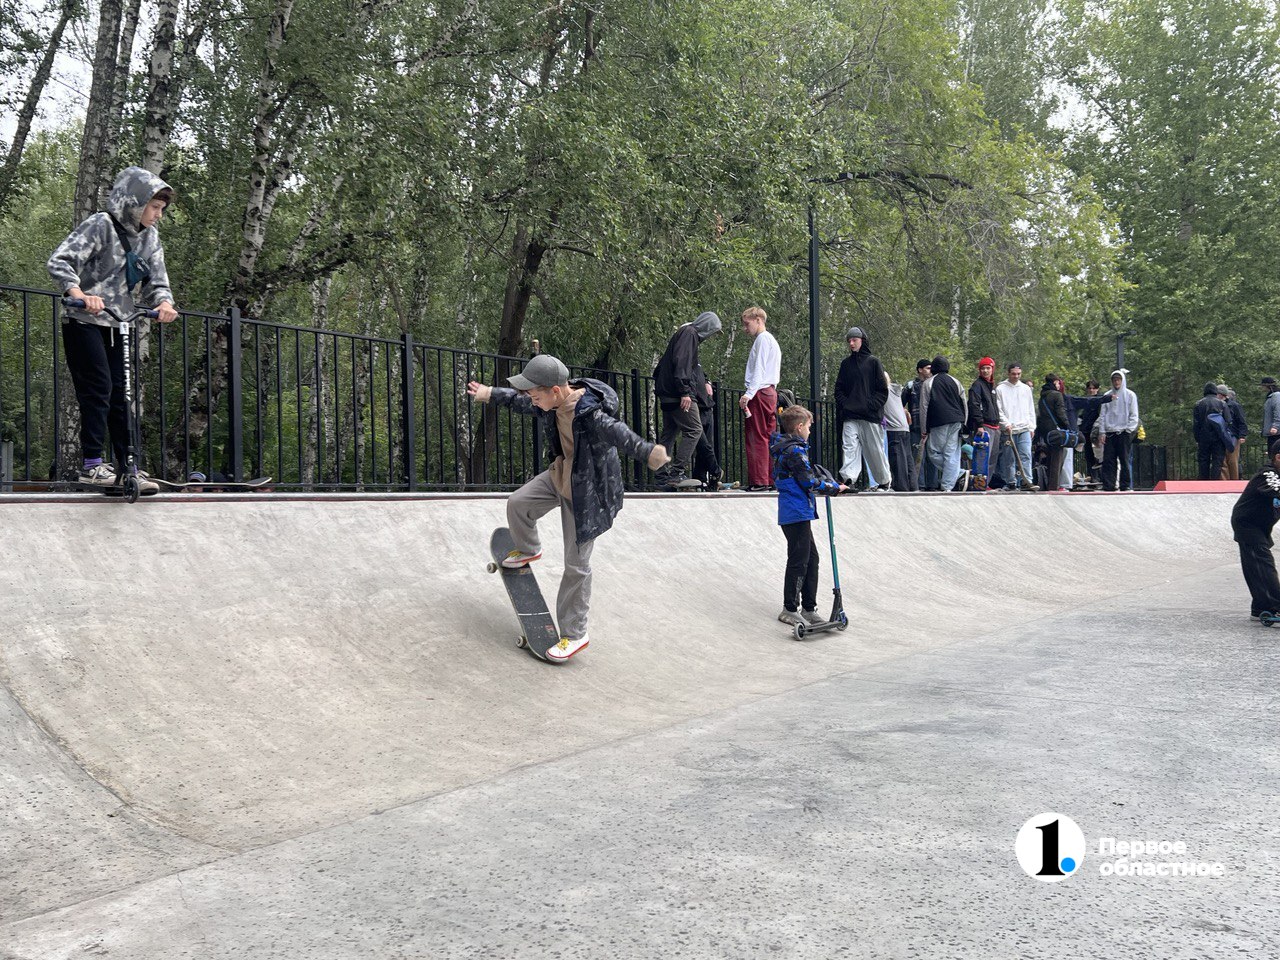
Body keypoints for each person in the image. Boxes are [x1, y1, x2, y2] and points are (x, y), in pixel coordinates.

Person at [467, 355, 670, 662]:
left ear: (555, 391)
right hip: (561, 474)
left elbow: (618, 433)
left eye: (536, 396)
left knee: (576, 565)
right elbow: (521, 401)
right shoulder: (549, 403)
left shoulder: (590, 414)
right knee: (519, 503)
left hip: (587, 493)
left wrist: (649, 452)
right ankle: (529, 548)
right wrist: (490, 393)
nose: (533, 401)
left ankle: (575, 634)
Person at [47, 166, 180, 493]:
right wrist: (78, 293)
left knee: (123, 395)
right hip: (84, 321)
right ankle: (91, 465)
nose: (158, 215)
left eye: (162, 209)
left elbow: (157, 280)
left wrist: (164, 303)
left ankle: (127, 468)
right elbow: (61, 260)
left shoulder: (149, 237)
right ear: (135, 203)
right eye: (154, 207)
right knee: (99, 389)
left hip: (119, 323)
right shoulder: (101, 225)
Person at [770, 404, 846, 626]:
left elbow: (806, 476)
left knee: (811, 559)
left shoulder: (790, 449)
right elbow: (808, 481)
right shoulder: (794, 451)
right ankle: (789, 608)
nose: (810, 431)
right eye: (809, 427)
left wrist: (828, 483)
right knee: (799, 559)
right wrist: (834, 488)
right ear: (800, 426)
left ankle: (809, 608)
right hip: (795, 511)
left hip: (800, 510)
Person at [653, 311, 721, 489]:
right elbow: (681, 362)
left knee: (669, 433)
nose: (710, 336)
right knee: (694, 429)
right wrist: (685, 392)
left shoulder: (685, 333)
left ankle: (660, 475)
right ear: (707, 326)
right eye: (712, 331)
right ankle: (677, 472)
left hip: (667, 391)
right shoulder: (690, 333)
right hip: (677, 392)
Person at [833, 326, 891, 491]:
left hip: (870, 415)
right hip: (851, 415)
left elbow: (882, 390)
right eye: (849, 341)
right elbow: (839, 389)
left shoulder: (873, 362)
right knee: (849, 446)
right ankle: (848, 479)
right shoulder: (846, 364)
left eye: (854, 340)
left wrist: (870, 406)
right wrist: (846, 404)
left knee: (874, 449)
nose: (851, 343)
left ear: (862, 340)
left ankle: (884, 481)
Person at [1231, 444, 1280, 621]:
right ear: (1278, 457)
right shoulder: (1267, 474)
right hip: (1247, 524)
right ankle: (1276, 606)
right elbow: (1276, 490)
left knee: (1255, 565)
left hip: (1261, 526)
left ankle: (1260, 608)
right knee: (1262, 563)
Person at [738, 306, 780, 491]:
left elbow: (759, 370)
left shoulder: (762, 339)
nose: (745, 329)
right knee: (768, 436)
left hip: (760, 392)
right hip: (770, 392)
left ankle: (759, 480)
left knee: (756, 436)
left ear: (758, 320)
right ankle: (769, 479)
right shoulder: (772, 341)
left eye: (747, 324)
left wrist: (748, 394)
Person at [919, 355, 967, 492]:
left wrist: (924, 429)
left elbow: (924, 407)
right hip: (957, 421)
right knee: (951, 453)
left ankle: (956, 475)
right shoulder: (956, 382)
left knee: (933, 452)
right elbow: (964, 403)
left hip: (938, 422)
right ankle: (949, 485)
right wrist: (965, 423)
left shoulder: (928, 383)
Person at [1061, 378, 1111, 489]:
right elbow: (1082, 416)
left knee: (1099, 456)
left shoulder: (1099, 401)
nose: (1091, 390)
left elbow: (1102, 416)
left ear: (1097, 389)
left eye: (1094, 388)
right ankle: (1093, 477)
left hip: (1096, 432)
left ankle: (1102, 478)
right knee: (1089, 456)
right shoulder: (1085, 402)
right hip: (1086, 431)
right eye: (1089, 388)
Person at [995, 363, 1036, 491]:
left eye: (1018, 374)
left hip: (1024, 427)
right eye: (1013, 374)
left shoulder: (1025, 389)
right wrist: (1005, 423)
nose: (1016, 376)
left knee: (1026, 455)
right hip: (1009, 429)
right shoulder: (1000, 389)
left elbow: (1030, 408)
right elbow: (999, 409)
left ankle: (1026, 481)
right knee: (1009, 457)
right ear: (1008, 373)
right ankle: (1011, 482)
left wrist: (1031, 427)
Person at [1097, 369, 1140, 491]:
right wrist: (1102, 431)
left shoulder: (1130, 395)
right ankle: (1109, 484)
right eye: (1114, 380)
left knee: (1124, 459)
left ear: (1122, 380)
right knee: (1108, 460)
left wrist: (1129, 430)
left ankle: (1125, 485)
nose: (1116, 382)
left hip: (1123, 432)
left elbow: (1134, 414)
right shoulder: (1107, 396)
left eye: (1118, 380)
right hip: (1110, 432)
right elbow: (1102, 415)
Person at [966, 357, 1000, 491]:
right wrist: (979, 424)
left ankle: (986, 483)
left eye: (988, 368)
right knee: (982, 457)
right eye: (983, 368)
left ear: (992, 369)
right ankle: (978, 484)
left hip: (995, 425)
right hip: (984, 426)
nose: (985, 371)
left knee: (992, 458)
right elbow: (974, 405)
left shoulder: (992, 386)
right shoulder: (977, 385)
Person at [901, 359, 934, 488]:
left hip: (932, 426)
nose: (930, 371)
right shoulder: (911, 386)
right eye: (928, 368)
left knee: (932, 456)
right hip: (916, 426)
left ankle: (932, 485)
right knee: (917, 456)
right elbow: (900, 404)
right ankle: (918, 485)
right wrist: (906, 414)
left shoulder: (933, 384)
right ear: (920, 369)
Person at [1034, 373, 1069, 492]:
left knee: (1049, 458)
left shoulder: (1042, 396)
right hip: (1056, 431)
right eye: (1058, 382)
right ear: (1055, 382)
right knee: (1057, 458)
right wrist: (1067, 426)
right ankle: (1054, 486)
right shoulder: (1057, 395)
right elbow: (1060, 413)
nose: (1059, 385)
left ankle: (1047, 484)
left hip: (1045, 431)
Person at [1192, 382, 1230, 481]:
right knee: (1217, 461)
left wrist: (1197, 438)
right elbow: (1228, 421)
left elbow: (1196, 424)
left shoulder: (1199, 404)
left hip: (1203, 437)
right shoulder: (1222, 404)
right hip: (1219, 437)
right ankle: (1215, 481)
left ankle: (1203, 481)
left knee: (1203, 460)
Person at [884, 377, 915, 491]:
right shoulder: (895, 390)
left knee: (897, 458)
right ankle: (913, 486)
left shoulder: (882, 391)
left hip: (894, 428)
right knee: (907, 458)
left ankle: (901, 487)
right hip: (904, 427)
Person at [1219, 386, 1248, 481]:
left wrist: (1242, 435)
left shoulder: (1234, 406)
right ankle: (1224, 482)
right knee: (1222, 461)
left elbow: (1241, 421)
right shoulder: (1217, 405)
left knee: (1232, 461)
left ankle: (1234, 481)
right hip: (1221, 436)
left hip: (1233, 435)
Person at [1262, 377, 1280, 454]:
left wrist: (1275, 426)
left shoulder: (1276, 396)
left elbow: (1278, 411)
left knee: (1274, 453)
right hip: (1272, 432)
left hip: (1276, 432)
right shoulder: (1271, 396)